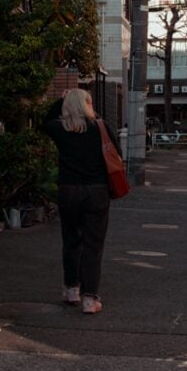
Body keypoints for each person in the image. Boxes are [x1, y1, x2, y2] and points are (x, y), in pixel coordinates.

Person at [41, 88, 121, 315]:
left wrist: (61, 99)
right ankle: (90, 299)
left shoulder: (60, 128)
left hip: (69, 191)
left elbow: (45, 121)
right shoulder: (100, 127)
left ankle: (71, 290)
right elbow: (117, 153)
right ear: (87, 104)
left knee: (71, 240)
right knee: (93, 245)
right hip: (96, 191)